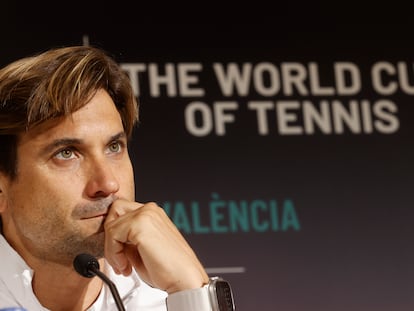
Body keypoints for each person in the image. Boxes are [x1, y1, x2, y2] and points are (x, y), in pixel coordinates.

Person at [0, 46, 232, 310]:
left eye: (114, 147)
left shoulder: (170, 300)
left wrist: (193, 291)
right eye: (66, 153)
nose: (108, 184)